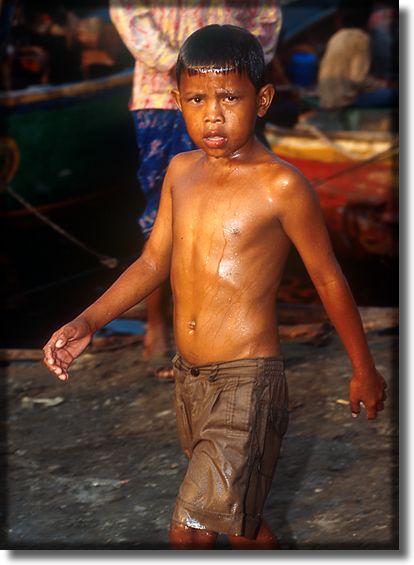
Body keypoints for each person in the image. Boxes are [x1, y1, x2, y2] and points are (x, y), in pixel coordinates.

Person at [43, 25, 387, 550]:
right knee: (237, 522)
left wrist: (364, 369)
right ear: (176, 100)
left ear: (263, 99)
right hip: (190, 379)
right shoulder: (180, 172)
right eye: (198, 99)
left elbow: (327, 278)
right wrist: (87, 320)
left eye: (230, 97)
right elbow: (153, 261)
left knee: (192, 530)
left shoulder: (282, 185)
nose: (214, 114)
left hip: (248, 382)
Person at [109, 0, 282, 378]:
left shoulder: (285, 183)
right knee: (163, 216)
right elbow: (128, 11)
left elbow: (266, 14)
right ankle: (159, 325)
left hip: (235, 83)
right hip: (160, 91)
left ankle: (224, 337)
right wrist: (186, 67)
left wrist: (239, 65)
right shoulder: (180, 102)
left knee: (231, 212)